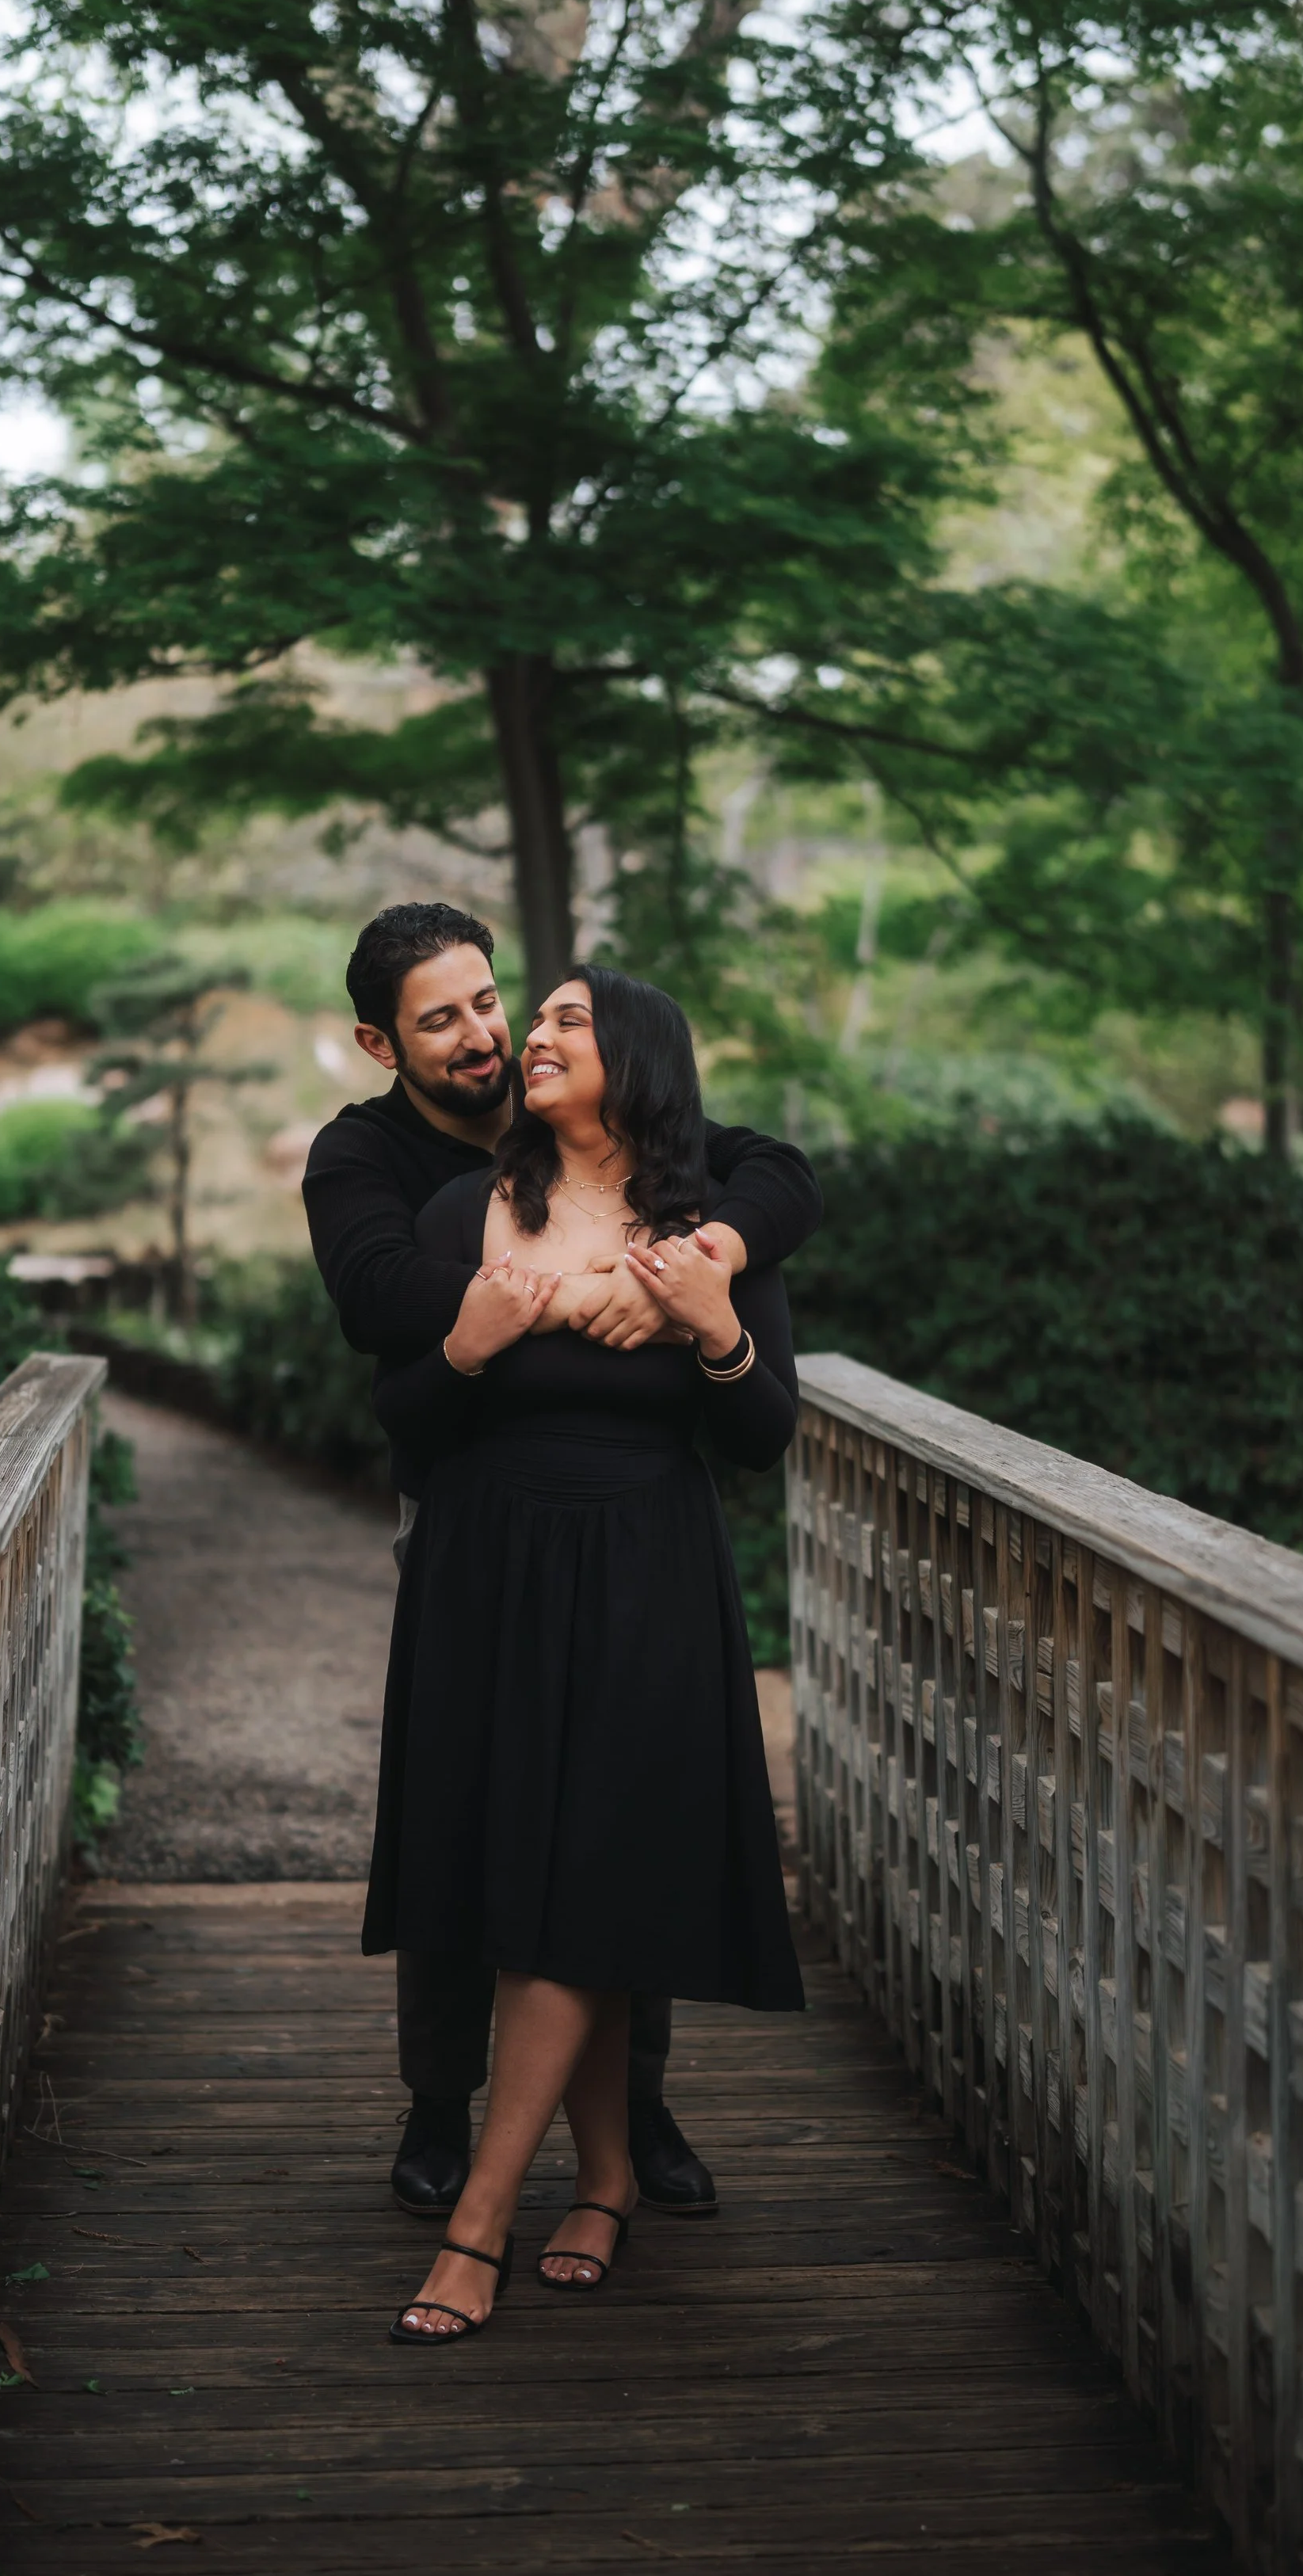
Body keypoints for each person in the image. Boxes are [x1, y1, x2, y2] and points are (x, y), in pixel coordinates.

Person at [303, 904, 821, 2222]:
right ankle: (441, 2099)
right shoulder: (382, 1165)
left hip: (643, 1550)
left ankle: (630, 2118)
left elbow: (783, 1180)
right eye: (444, 1021)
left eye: (498, 1003)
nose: (491, 1035)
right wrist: (568, 1295)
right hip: (475, 1528)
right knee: (468, 1816)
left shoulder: (682, 1193)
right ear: (383, 1044)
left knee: (618, 1827)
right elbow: (378, 1302)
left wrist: (695, 1276)